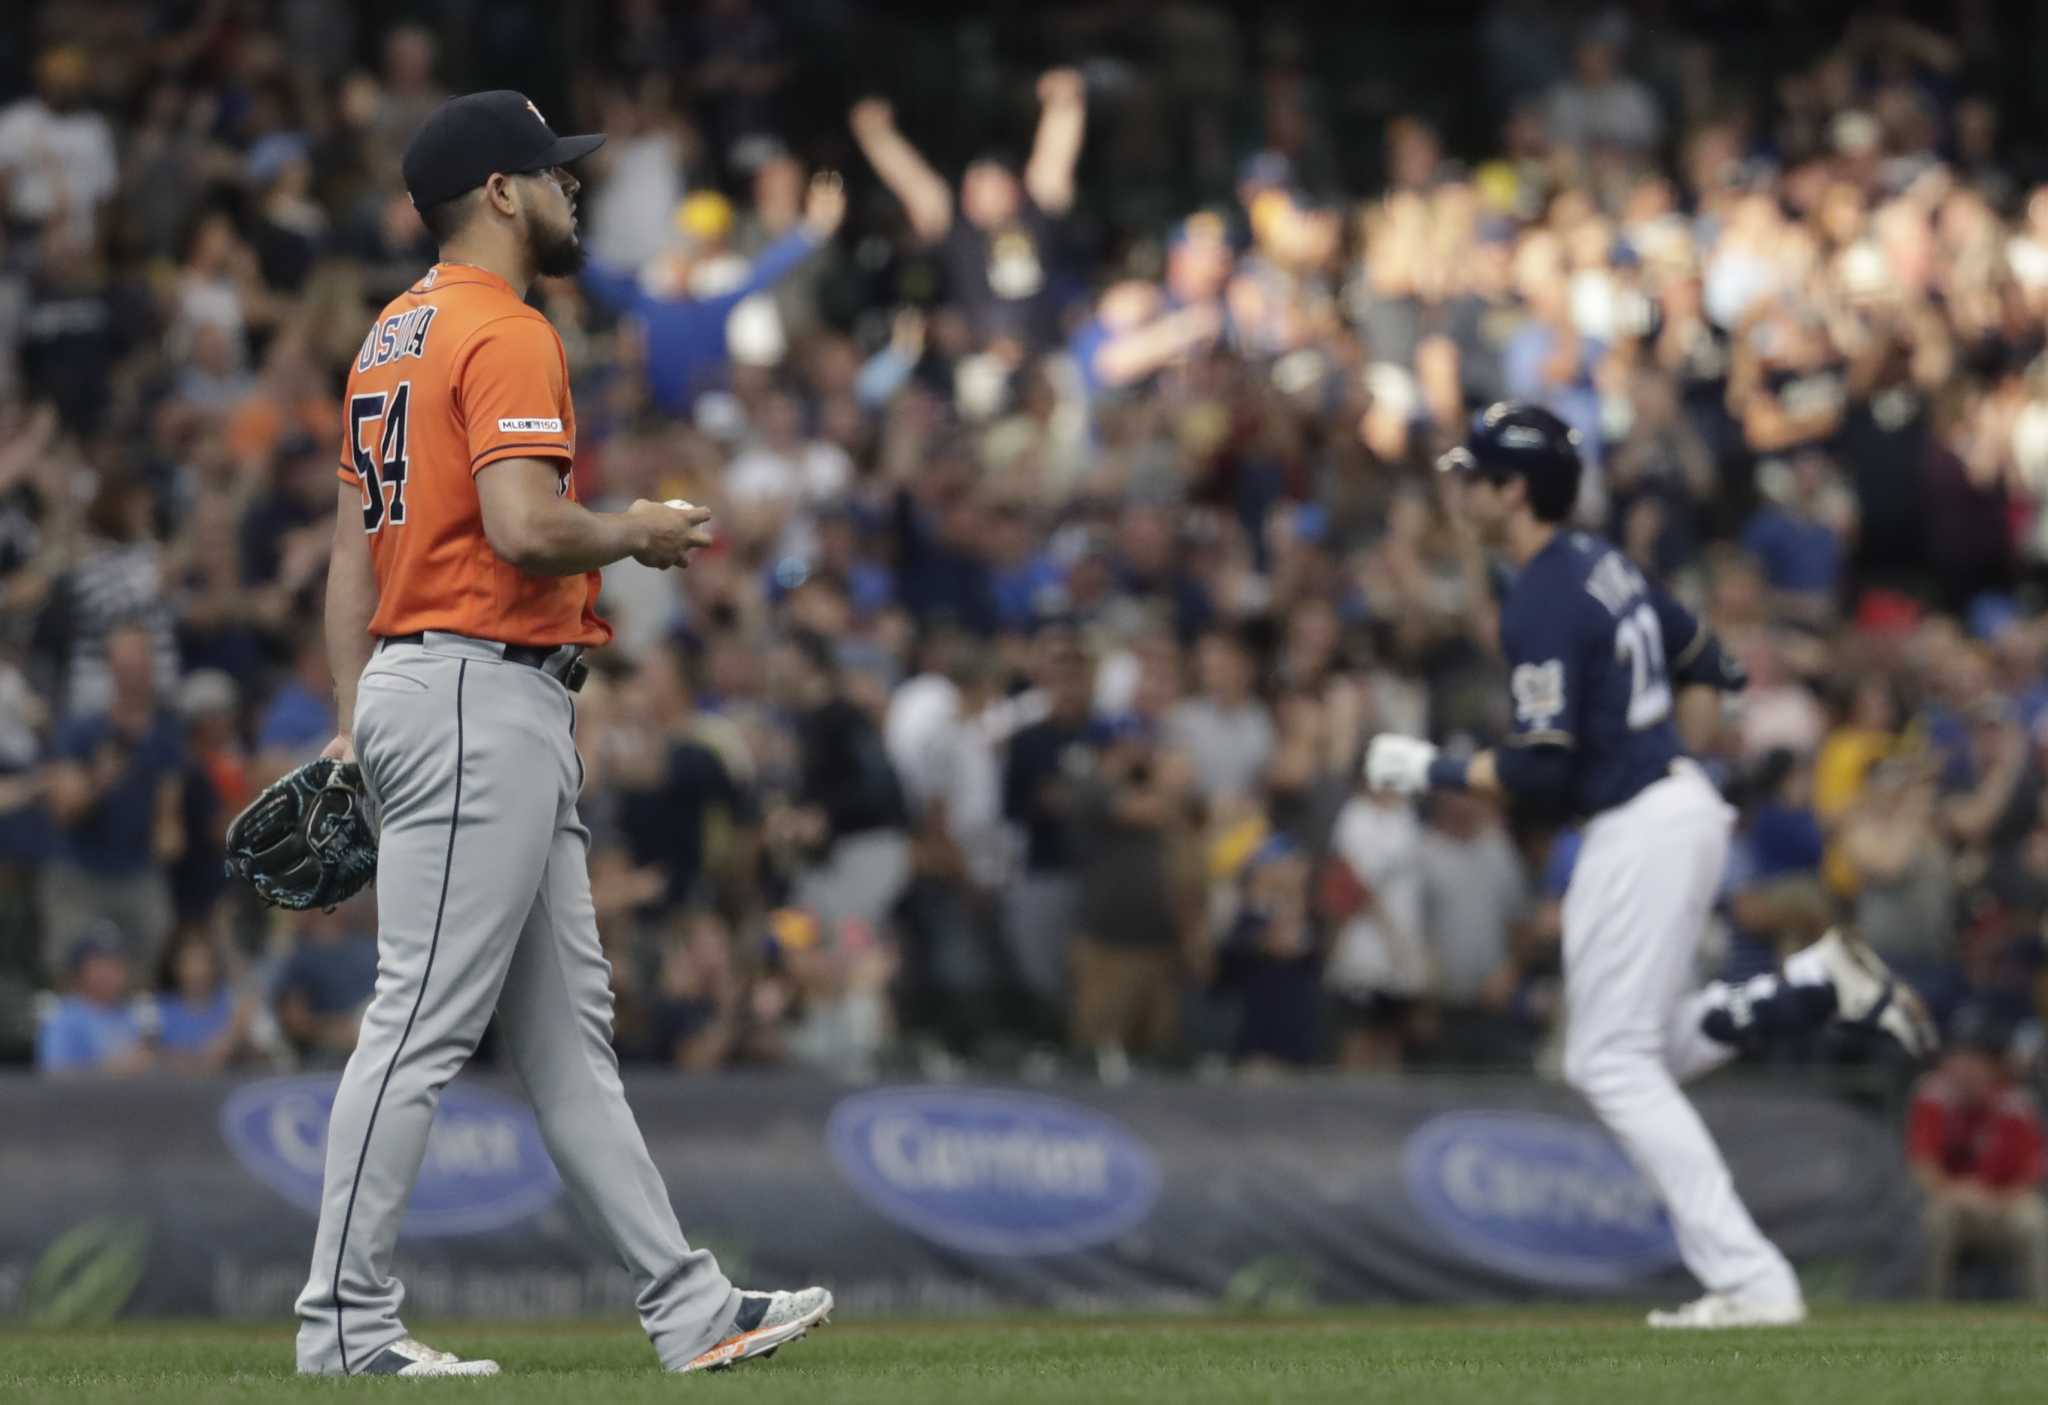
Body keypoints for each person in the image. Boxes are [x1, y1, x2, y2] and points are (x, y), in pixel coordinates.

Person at [295, 91, 829, 1380]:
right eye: (552, 172)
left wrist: (347, 723)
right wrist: (638, 531)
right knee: (419, 1016)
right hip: (480, 687)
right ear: (497, 193)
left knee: (560, 1030)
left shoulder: (389, 335)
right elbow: (527, 528)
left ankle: (688, 1306)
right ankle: (344, 1324)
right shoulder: (504, 325)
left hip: (441, 686)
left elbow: (347, 562)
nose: (572, 189)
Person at [1365, 402, 1936, 1329]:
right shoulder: (1603, 561)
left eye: (1475, 474)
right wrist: (1685, 746)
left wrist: (1425, 767)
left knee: (1610, 1061)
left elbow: (1544, 768)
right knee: (1629, 1050)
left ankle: (1753, 1282)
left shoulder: (1545, 589)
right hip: (1669, 804)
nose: (1459, 487)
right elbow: (1712, 657)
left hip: (1640, 820)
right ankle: (1806, 988)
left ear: (1514, 489)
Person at [1907, 1010, 2048, 1302]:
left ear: (1995, 1066)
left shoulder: (2015, 1104)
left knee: (2034, 1221)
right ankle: (1928, 1312)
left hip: (2004, 1205)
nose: (1965, 1067)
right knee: (1935, 1221)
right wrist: (1955, 1192)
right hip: (1954, 1204)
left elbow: (2032, 1173)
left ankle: (2040, 1311)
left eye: (1975, 1058)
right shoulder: (1934, 1096)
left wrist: (1996, 1200)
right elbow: (1922, 1165)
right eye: (1959, 1056)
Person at [34, 927, 150, 1077]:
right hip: (80, 1099)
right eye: (98, 964)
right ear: (79, 969)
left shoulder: (130, 1015)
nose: (107, 972)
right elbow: (53, 1073)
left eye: (115, 964)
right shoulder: (63, 1019)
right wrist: (108, 1069)